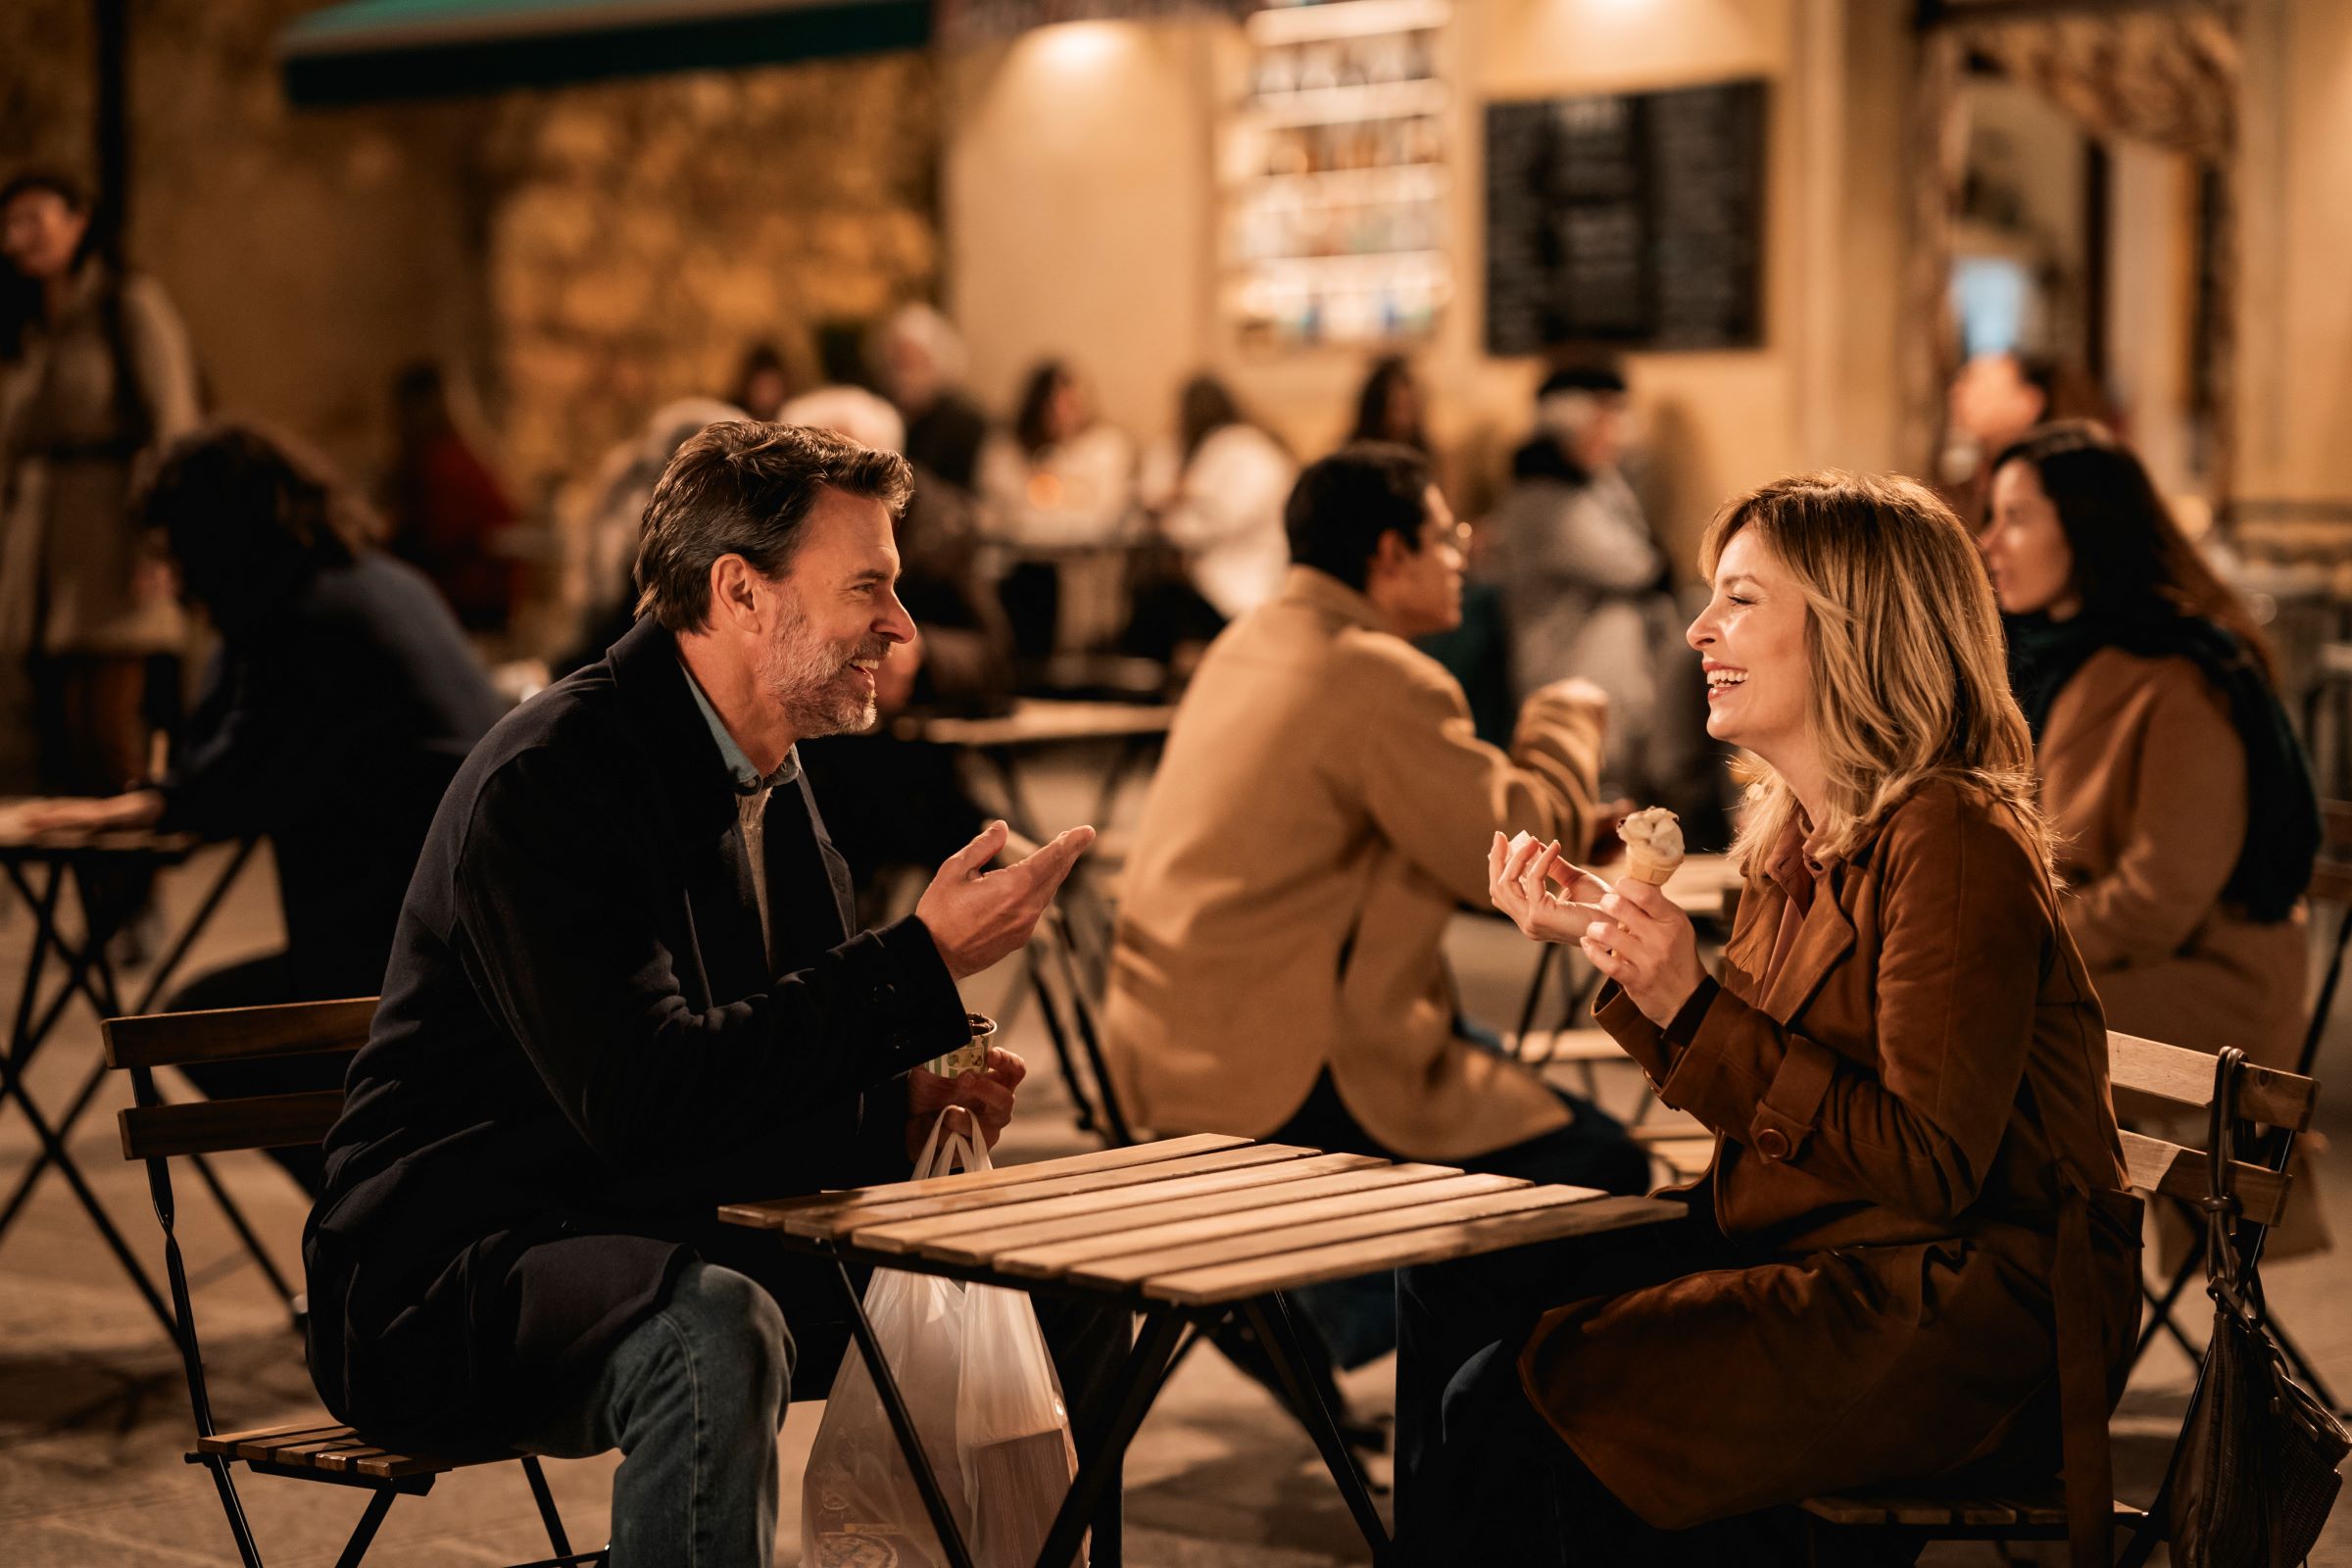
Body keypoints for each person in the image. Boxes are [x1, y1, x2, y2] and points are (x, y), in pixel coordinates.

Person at [303, 421, 1119, 1565]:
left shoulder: (774, 772)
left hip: (654, 1216)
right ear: (741, 591)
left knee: (1055, 1287)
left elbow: (753, 1073)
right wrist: (914, 966)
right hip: (454, 1273)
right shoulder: (556, 779)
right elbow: (647, 1097)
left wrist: (903, 1107)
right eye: (870, 588)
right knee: (713, 1333)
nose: (902, 626)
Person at [1397, 470, 2141, 1567]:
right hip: (1814, 1244)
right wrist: (1615, 947)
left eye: (1742, 600)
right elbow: (1766, 1084)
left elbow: (1929, 1163)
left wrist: (1685, 999)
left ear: (1853, 631)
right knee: (1456, 1278)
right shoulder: (1797, 825)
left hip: (1956, 1301)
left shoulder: (1951, 837)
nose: (1700, 629)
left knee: (1521, 1402)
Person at [1103, 442, 1650, 1372]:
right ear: (1388, 556)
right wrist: (1566, 716)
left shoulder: (1252, 637)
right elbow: (1513, 842)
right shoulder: (1379, 676)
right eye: (1448, 536)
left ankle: (1354, 1317)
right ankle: (1362, 1324)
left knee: (1488, 1071)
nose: (1462, 557)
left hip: (1167, 1039)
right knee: (1608, 1172)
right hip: (1285, 1063)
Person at [18, 424, 506, 1191]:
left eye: (176, 553)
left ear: (216, 542)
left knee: (199, 1027)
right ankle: (389, 1221)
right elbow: (222, 754)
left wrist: (143, 806)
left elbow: (224, 780)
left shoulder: (305, 622)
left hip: (402, 963)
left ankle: (382, 1222)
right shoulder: (373, 581)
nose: (173, 580)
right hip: (471, 935)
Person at [1982, 422, 2317, 1070]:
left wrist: (2014, 941)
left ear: (2087, 525)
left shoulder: (2185, 675)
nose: (1989, 542)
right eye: (1992, 517)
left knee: (1962, 1027)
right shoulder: (2043, 659)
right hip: (2091, 954)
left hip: (2207, 979)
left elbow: (2157, 900)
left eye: (2016, 518)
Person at [1, 169, 200, 800]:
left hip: (113, 541)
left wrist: (161, 540)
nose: (20, 237)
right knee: (56, 743)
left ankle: (132, 890)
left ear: (77, 219)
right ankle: (84, 886)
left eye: (36, 217)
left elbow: (172, 423)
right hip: (45, 555)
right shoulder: (32, 324)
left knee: (106, 732)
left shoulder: (126, 303)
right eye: (11, 223)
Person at [1487, 365, 1716, 833]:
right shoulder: (1544, 500)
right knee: (1589, 793)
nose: (1618, 434)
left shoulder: (1594, 484)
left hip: (1608, 675)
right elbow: (1638, 565)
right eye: (1604, 422)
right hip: (1568, 670)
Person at [976, 359, 1137, 662]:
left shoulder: (1104, 449)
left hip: (1086, 566)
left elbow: (1101, 517)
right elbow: (1002, 516)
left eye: (1072, 402)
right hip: (1023, 565)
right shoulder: (1009, 450)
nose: (1064, 411)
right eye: (1054, 403)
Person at [1145, 373, 1297, 625]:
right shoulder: (1252, 444)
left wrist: (1173, 510)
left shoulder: (1233, 449)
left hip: (1241, 583)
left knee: (1154, 600)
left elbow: (1211, 522)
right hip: (1257, 576)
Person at [385, 360, 521, 634]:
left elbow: (437, 538)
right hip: (475, 596)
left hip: (463, 599)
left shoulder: (441, 463)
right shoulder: (467, 454)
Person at [872, 303, 989, 496]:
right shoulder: (876, 412)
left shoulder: (965, 423)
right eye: (899, 361)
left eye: (915, 363)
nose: (904, 374)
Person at [1348, 353, 1428, 451]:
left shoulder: (1425, 456)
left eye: (1410, 407)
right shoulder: (1354, 458)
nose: (1404, 419)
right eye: (1397, 408)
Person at [726, 341, 792, 422]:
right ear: (746, 389)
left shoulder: (794, 419)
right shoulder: (730, 420)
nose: (767, 396)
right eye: (761, 388)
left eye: (772, 388)